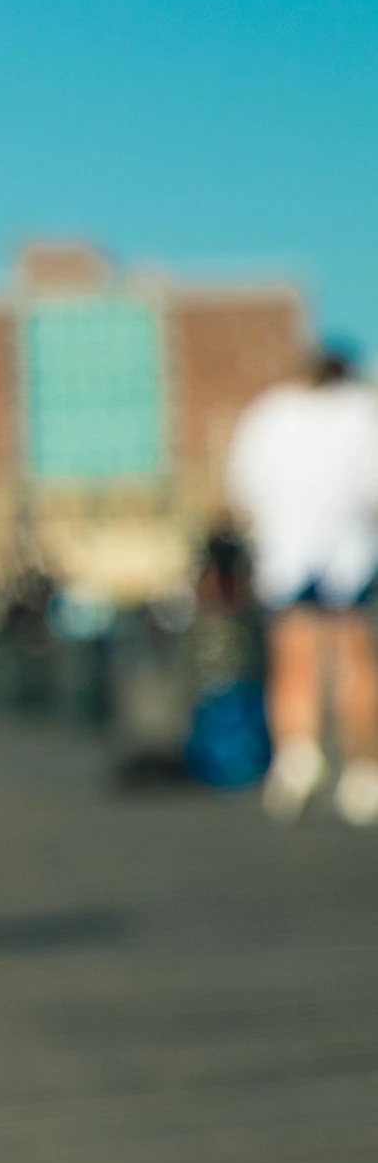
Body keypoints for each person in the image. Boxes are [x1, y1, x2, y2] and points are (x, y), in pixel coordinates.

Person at [224, 341, 378, 824]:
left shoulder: (269, 415)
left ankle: (297, 755)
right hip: (352, 552)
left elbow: (242, 486)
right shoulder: (363, 412)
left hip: (286, 553)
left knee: (292, 659)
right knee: (354, 657)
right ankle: (363, 771)